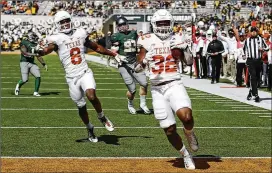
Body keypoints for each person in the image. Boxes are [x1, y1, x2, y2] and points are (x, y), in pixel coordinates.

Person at [34, 10, 128, 142]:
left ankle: (101, 116)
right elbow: (44, 51)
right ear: (57, 24)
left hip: (84, 72)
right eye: (62, 22)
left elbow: (96, 47)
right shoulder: (55, 39)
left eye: (67, 20)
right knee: (81, 106)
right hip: (71, 78)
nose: (66, 23)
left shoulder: (80, 33)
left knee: (91, 95)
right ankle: (89, 128)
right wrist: (36, 50)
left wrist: (114, 54)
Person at [135, 9, 198, 170]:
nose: (163, 27)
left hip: (174, 83)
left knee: (187, 117)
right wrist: (144, 61)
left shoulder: (178, 37)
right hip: (157, 88)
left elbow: (189, 63)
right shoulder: (145, 40)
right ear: (154, 25)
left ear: (171, 24)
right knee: (169, 129)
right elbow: (137, 68)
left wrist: (185, 49)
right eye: (160, 24)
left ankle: (189, 134)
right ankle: (185, 154)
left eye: (166, 23)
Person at [110, 16, 150, 115]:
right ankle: (130, 104)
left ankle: (143, 104)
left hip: (134, 62)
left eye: (124, 24)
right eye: (121, 25)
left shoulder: (133, 34)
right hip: (124, 65)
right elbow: (113, 51)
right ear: (118, 27)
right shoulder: (116, 36)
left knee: (144, 83)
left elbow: (140, 46)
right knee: (132, 89)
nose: (123, 27)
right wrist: (117, 57)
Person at [14, 31, 48, 97]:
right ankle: (18, 85)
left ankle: (35, 92)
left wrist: (44, 64)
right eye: (34, 37)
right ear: (30, 37)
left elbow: (38, 55)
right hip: (24, 62)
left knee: (38, 76)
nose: (35, 38)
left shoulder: (35, 44)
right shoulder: (24, 42)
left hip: (32, 63)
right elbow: (24, 53)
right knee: (25, 80)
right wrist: (34, 53)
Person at [243, 27, 269, 102]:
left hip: (258, 60)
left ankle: (251, 91)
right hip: (250, 60)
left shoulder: (260, 39)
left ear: (257, 32)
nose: (254, 32)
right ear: (250, 32)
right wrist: (244, 55)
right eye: (252, 31)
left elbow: (267, 48)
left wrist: (262, 49)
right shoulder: (247, 40)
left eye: (255, 31)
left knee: (257, 78)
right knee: (253, 76)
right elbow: (243, 49)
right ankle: (256, 95)